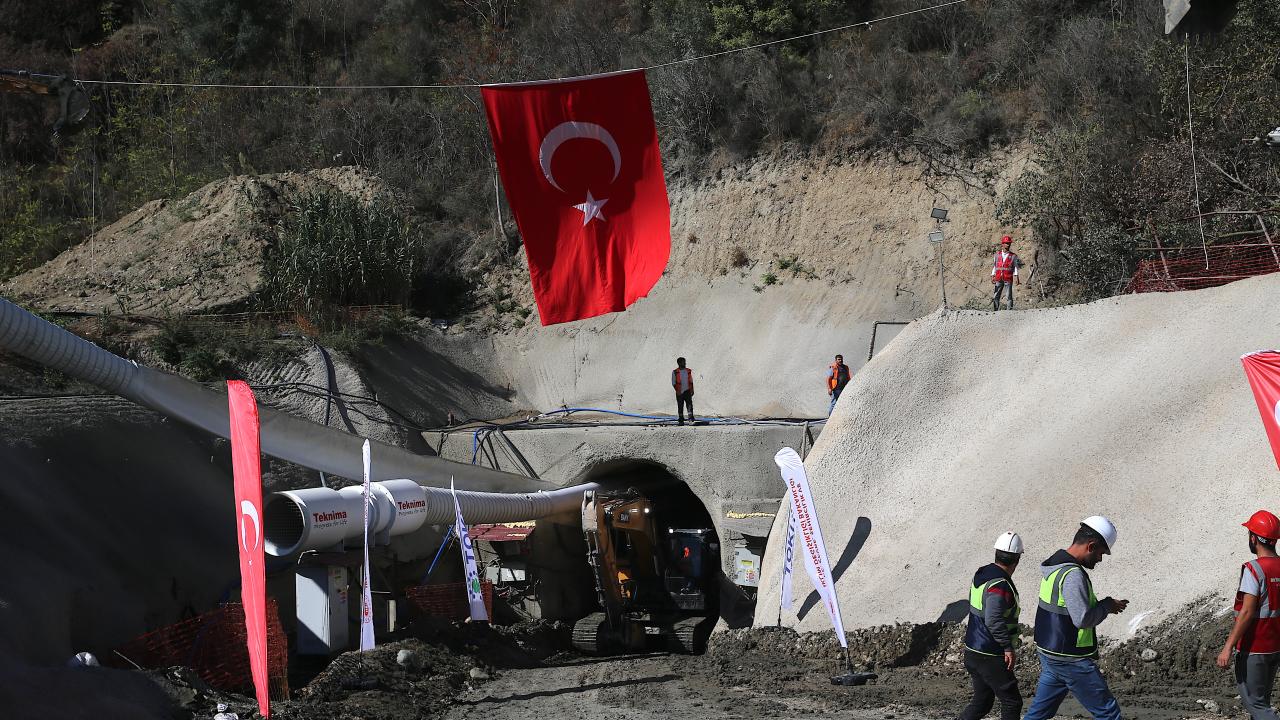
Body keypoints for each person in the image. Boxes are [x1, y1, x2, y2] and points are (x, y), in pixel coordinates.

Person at [1023, 516, 1128, 720]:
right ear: (1091, 546)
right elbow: (1082, 619)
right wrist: (1107, 606)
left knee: (1039, 714)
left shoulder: (1054, 565)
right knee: (1108, 712)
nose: (1100, 559)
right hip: (1070, 659)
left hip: (1050, 653)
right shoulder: (1073, 575)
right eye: (1100, 553)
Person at [1217, 510, 1280, 720]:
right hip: (1275, 646)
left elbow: (1247, 611)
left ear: (1254, 538)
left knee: (1256, 705)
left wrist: (1227, 646)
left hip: (1254, 648)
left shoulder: (1254, 570)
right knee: (1263, 700)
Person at [957, 532, 1025, 720]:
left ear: (996, 553)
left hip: (973, 650)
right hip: (990, 653)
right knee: (1012, 702)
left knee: (983, 702)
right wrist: (1007, 647)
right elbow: (993, 620)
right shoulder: (1000, 584)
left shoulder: (982, 574)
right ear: (1017, 559)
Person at [991, 236, 1021, 311]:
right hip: (998, 277)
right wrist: (992, 275)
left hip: (1008, 277)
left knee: (1009, 296)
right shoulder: (997, 255)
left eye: (1009, 243)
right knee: (996, 295)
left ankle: (1009, 311)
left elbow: (1016, 267)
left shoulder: (1013, 256)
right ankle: (995, 310)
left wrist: (1016, 277)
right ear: (1003, 244)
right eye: (1007, 243)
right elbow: (995, 266)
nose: (1008, 245)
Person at [672, 357, 695, 425]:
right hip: (679, 392)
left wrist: (692, 390)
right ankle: (681, 419)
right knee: (680, 405)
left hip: (687, 390)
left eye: (684, 362)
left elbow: (691, 381)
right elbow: (673, 383)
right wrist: (677, 390)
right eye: (683, 362)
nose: (685, 363)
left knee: (689, 405)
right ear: (679, 363)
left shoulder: (688, 371)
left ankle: (690, 418)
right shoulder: (675, 372)